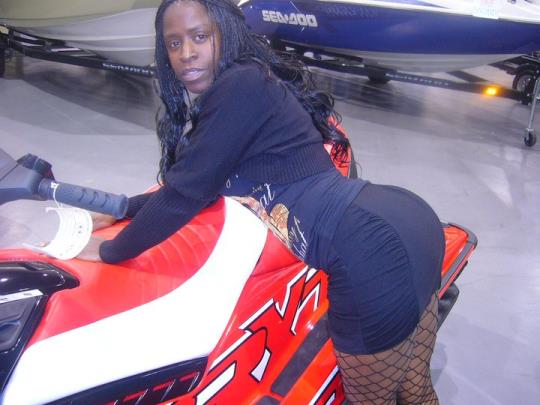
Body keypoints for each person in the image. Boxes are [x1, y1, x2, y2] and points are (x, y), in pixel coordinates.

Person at [79, 0, 444, 403]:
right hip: (402, 220)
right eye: (174, 43)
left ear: (227, 33)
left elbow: (184, 194)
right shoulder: (249, 85)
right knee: (415, 392)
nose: (187, 53)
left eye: (200, 36)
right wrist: (119, 209)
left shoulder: (240, 84)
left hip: (367, 251)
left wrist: (110, 251)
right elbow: (196, 188)